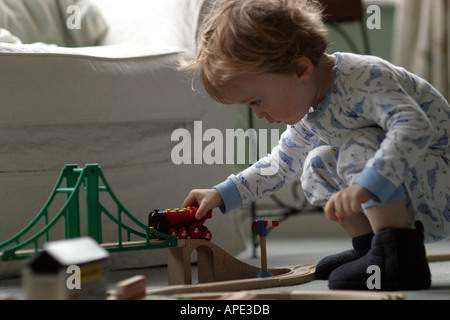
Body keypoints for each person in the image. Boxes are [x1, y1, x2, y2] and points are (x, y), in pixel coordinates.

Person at [180, 0, 450, 290]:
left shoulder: (364, 78)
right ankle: (370, 250)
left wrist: (368, 184)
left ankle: (398, 258)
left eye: (256, 101)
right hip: (409, 191)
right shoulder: (309, 106)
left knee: (358, 145)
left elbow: (414, 126)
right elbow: (282, 164)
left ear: (301, 69)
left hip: (439, 186)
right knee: (317, 164)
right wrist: (221, 194)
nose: (258, 114)